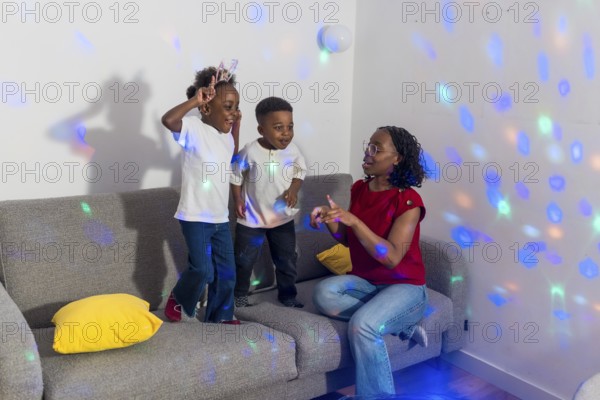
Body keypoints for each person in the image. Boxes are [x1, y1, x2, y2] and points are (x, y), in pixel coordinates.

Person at [310, 126, 429, 396]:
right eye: (368, 146)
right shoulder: (360, 189)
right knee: (323, 293)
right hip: (368, 284)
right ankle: (404, 323)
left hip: (406, 287)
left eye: (377, 148)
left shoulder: (409, 201)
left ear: (396, 158)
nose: (368, 152)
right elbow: (348, 240)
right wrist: (331, 219)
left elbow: (391, 257)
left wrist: (353, 220)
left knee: (363, 325)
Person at [161, 62, 241, 324]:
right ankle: (179, 298)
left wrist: (235, 125)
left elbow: (230, 154)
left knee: (227, 271)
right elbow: (168, 120)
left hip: (219, 217)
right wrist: (194, 101)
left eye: (236, 107)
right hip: (195, 215)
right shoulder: (194, 129)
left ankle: (220, 316)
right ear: (206, 107)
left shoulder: (224, 135)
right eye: (228, 108)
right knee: (204, 271)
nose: (234, 113)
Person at [231, 97, 306, 308]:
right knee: (244, 260)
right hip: (252, 219)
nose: (286, 133)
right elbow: (235, 175)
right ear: (261, 129)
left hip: (282, 219)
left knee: (287, 260)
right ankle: (239, 294)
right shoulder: (250, 151)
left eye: (290, 127)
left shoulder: (293, 151)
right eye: (278, 128)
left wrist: (293, 190)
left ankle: (288, 295)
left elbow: (300, 173)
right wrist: (237, 200)